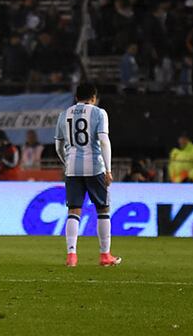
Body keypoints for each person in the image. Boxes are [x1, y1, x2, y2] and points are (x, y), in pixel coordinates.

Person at [54, 83, 121, 267]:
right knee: (103, 209)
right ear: (94, 98)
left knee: (74, 211)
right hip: (95, 168)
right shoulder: (99, 113)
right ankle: (105, 255)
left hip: (72, 169)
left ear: (76, 97)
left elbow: (58, 146)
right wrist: (108, 169)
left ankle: (71, 256)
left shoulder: (64, 115)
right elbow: (104, 141)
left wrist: (66, 161)